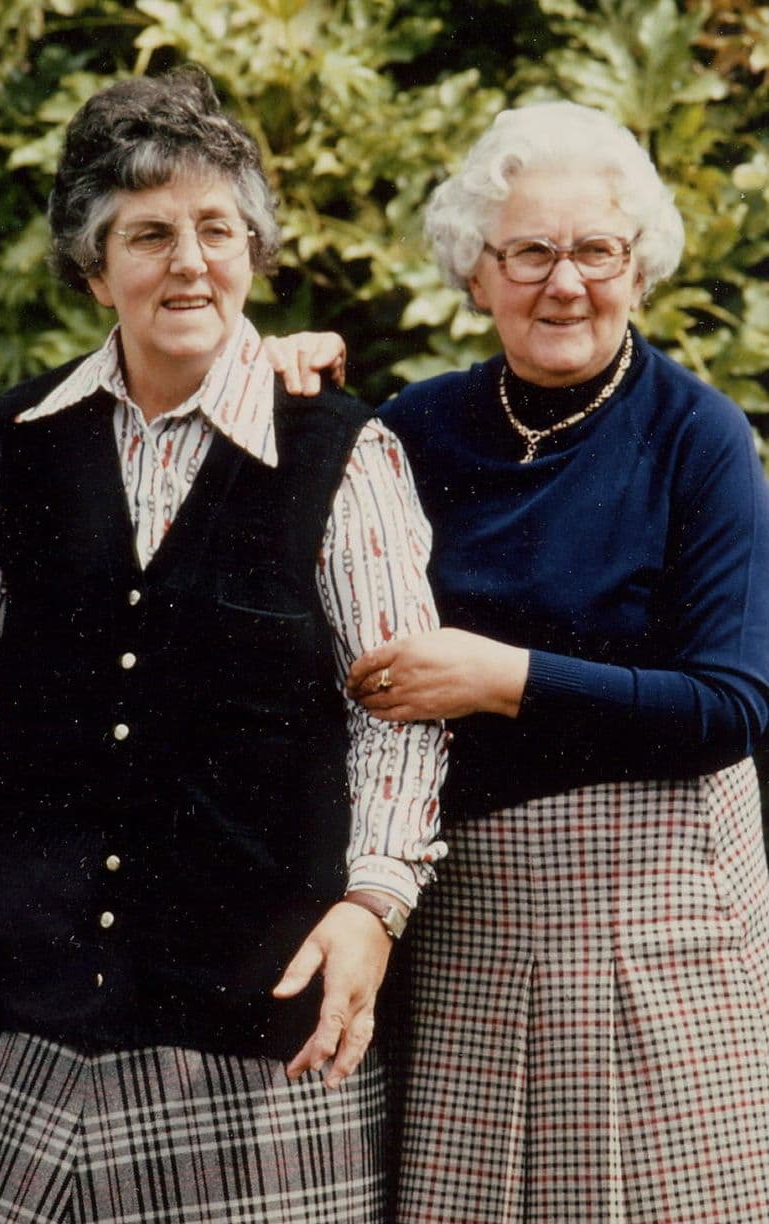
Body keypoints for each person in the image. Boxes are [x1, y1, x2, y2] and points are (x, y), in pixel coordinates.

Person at [0, 67, 450, 1223]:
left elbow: (397, 711)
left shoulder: (340, 453)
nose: (189, 263)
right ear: (92, 266)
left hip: (256, 1037)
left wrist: (372, 903)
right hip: (26, 1023)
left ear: (253, 249)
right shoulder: (17, 445)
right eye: (148, 234)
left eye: (216, 229)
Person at [282, 100, 769, 1222]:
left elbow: (732, 704)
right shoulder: (412, 431)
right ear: (477, 272)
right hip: (470, 914)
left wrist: (502, 679)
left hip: (657, 910)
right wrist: (266, 377)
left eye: (597, 250)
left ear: (637, 266)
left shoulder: (697, 435)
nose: (566, 284)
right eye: (531, 252)